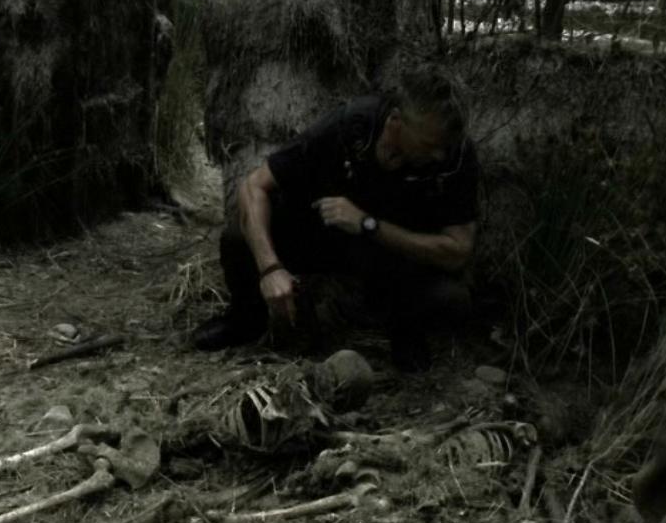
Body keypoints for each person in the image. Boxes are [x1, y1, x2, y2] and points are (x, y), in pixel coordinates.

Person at [193, 67, 479, 372]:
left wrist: (369, 224)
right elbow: (253, 186)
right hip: (325, 235)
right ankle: (244, 321)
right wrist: (270, 268)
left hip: (391, 256)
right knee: (239, 237)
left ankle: (405, 335)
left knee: (452, 300)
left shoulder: (455, 156)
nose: (438, 155)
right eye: (428, 145)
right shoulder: (351, 126)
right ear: (395, 121)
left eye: (443, 147)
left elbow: (458, 250)